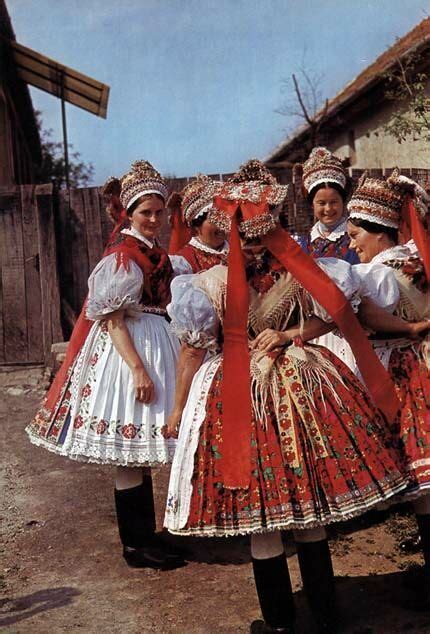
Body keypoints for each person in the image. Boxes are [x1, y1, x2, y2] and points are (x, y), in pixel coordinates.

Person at [163, 159, 409, 633]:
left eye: (262, 239)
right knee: (261, 514)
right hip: (236, 392)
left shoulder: (303, 270)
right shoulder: (209, 283)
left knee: (310, 498)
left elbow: (335, 317)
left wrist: (291, 333)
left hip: (300, 381)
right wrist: (177, 408)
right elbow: (193, 348)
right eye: (249, 240)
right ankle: (280, 619)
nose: (256, 249)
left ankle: (323, 611)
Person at [26, 160, 185, 570]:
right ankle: (134, 546)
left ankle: (147, 537)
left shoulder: (154, 252)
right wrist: (137, 369)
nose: (153, 219)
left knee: (141, 452)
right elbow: (112, 319)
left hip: (153, 342)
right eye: (145, 213)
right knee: (129, 454)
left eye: (158, 212)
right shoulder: (122, 257)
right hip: (127, 351)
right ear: (129, 214)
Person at [346, 169, 430, 607]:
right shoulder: (420, 255)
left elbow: (368, 320)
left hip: (401, 369)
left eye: (357, 233)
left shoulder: (375, 272)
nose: (352, 243)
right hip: (426, 360)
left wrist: (410, 326)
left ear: (379, 232)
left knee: (419, 476)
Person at [297, 147, 359, 264]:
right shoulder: (302, 243)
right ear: (312, 204)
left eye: (334, 202)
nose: (328, 209)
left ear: (343, 201)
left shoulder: (356, 240)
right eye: (322, 203)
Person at [169, 174, 229, 273]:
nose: (221, 224)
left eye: (223, 216)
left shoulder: (238, 251)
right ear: (195, 228)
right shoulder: (184, 262)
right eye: (214, 219)